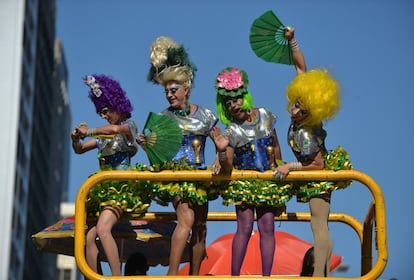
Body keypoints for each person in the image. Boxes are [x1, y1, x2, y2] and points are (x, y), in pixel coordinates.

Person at [209, 27, 306, 277]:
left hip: (269, 178)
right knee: (243, 226)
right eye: (228, 103)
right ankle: (234, 275)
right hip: (245, 180)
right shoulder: (231, 131)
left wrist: (281, 177)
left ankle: (266, 276)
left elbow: (275, 147)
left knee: (268, 226)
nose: (233, 105)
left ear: (245, 96)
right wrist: (220, 157)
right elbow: (228, 161)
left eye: (237, 99)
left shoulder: (265, 116)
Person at [141, 36, 220, 275]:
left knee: (201, 228)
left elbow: (221, 143)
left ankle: (193, 275)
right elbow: (158, 152)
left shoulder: (206, 115)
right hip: (177, 177)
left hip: (201, 177)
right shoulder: (163, 118)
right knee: (185, 220)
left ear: (186, 89)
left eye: (173, 90)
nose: (169, 95)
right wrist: (147, 145)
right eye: (166, 91)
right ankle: (173, 274)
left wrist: (219, 157)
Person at [273, 69, 353, 277]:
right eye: (296, 103)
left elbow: (317, 166)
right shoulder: (300, 119)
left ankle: (319, 274)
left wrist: (290, 166)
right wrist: (292, 41)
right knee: (318, 224)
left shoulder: (306, 133)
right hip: (308, 175)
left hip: (317, 177)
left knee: (318, 224)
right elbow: (301, 71)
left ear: (312, 112)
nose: (295, 109)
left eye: (302, 108)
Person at [71, 74, 149, 276]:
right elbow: (79, 150)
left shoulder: (128, 127)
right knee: (88, 237)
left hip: (120, 189)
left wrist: (89, 131)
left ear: (117, 106)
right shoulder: (102, 138)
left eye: (105, 111)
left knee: (104, 229)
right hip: (102, 189)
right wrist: (75, 139)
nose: (104, 116)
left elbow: (116, 128)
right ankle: (95, 275)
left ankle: (115, 276)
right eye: (101, 113)